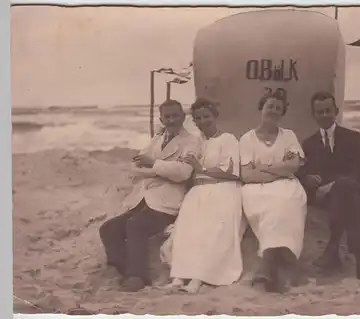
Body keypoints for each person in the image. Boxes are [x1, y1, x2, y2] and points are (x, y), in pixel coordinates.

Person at [99, 99, 203, 292]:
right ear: (161, 119)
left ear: (183, 116)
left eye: (175, 116)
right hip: (145, 197)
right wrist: (159, 170)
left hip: (167, 202)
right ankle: (123, 271)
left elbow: (183, 173)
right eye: (167, 116)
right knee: (108, 228)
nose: (171, 120)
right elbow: (136, 165)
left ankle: (138, 276)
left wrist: (153, 165)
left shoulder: (192, 141)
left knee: (136, 225)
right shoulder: (158, 138)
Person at [296, 91, 360, 281]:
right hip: (330, 198)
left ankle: (333, 248)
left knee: (346, 188)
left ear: (335, 111)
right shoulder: (308, 144)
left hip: (356, 191)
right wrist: (308, 178)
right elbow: (301, 170)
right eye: (320, 112)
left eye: (328, 110)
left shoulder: (353, 137)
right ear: (314, 115)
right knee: (345, 194)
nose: (324, 115)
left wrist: (334, 183)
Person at [168, 98, 245, 294]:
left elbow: (233, 172)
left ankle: (199, 278)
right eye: (198, 118)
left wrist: (199, 167)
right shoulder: (196, 141)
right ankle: (178, 277)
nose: (203, 121)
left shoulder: (228, 139)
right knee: (186, 227)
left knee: (211, 228)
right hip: (199, 190)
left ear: (215, 116)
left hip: (224, 188)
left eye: (206, 116)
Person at [239, 88, 307, 293]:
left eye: (279, 108)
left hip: (287, 186)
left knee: (286, 202)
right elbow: (247, 175)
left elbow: (293, 166)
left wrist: (264, 168)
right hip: (256, 189)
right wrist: (280, 170)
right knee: (273, 206)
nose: (274, 111)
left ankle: (267, 265)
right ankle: (285, 262)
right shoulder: (247, 139)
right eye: (270, 106)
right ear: (262, 108)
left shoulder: (288, 136)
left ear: (282, 112)